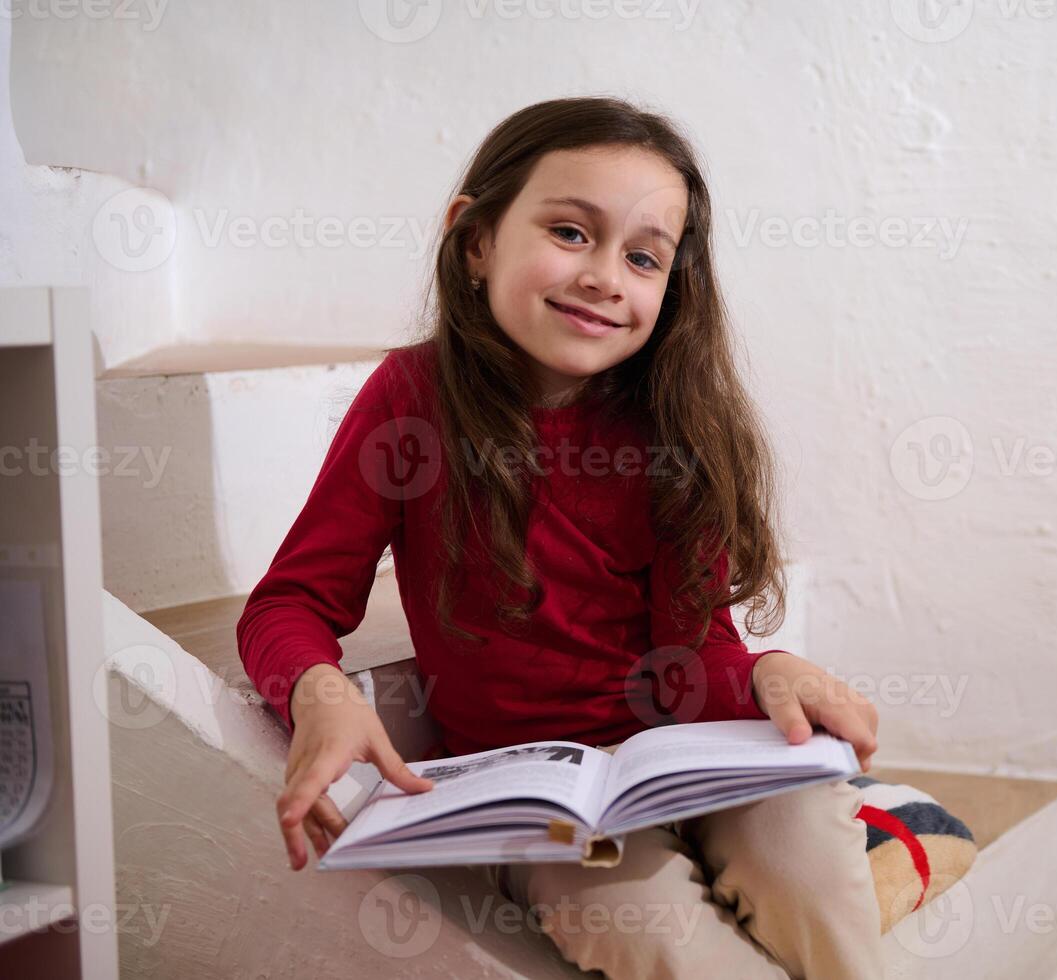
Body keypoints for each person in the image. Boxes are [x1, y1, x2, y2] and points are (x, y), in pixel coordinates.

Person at [236, 95, 883, 979]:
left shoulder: (675, 424)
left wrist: (766, 670)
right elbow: (291, 602)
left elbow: (694, 658)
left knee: (811, 867)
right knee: (643, 928)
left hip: (687, 749)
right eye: (572, 234)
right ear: (476, 241)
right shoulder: (411, 401)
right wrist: (317, 692)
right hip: (538, 789)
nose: (606, 276)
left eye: (644, 257)